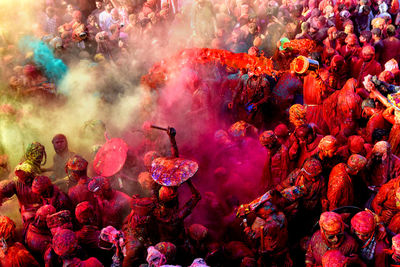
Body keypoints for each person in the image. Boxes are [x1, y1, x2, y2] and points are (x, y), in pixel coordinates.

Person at [0, 163, 41, 237]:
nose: (24, 182)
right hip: (26, 219)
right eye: (20, 178)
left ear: (32, 175)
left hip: (40, 216)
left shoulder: (39, 182)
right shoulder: (16, 183)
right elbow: (2, 189)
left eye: (27, 179)